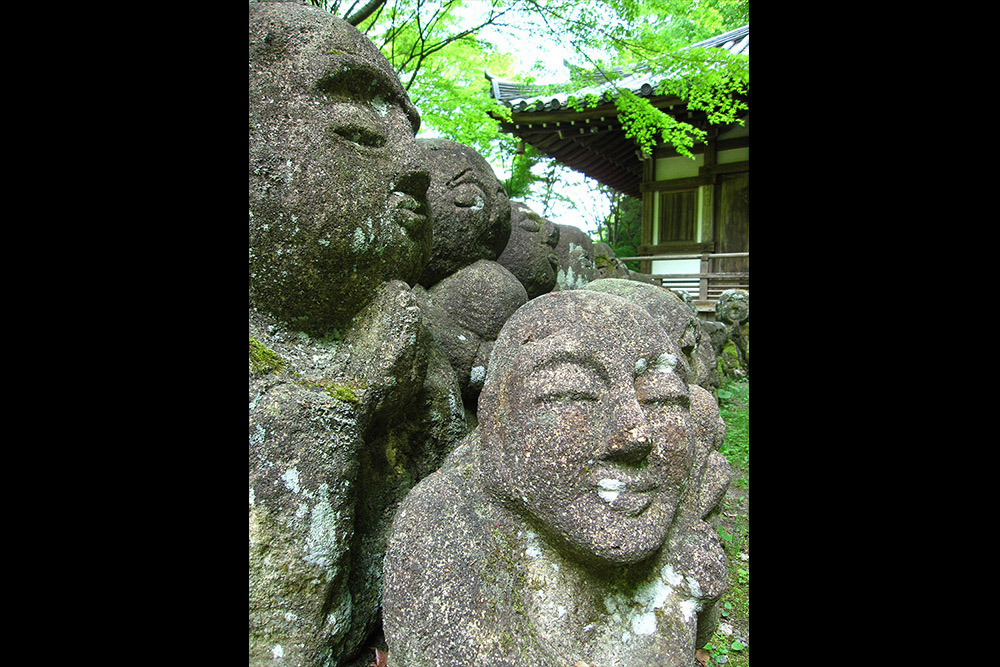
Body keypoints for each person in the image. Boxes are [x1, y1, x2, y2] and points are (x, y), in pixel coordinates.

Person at [383, 290, 732, 666]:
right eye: (573, 394)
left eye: (663, 397)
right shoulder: (445, 522)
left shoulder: (678, 509)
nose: (636, 435)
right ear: (495, 418)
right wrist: (671, 608)